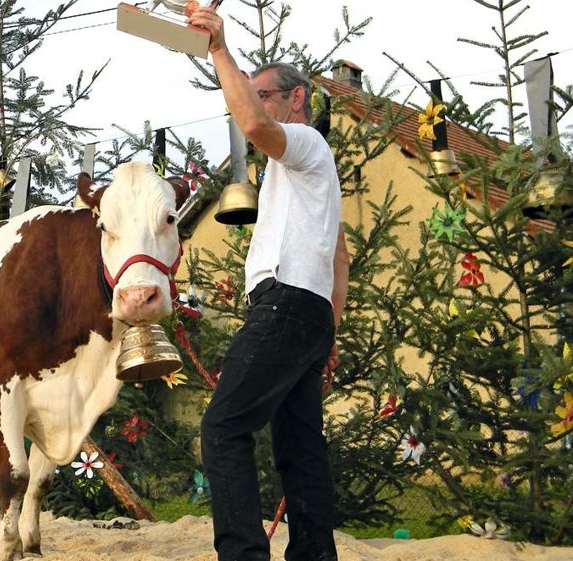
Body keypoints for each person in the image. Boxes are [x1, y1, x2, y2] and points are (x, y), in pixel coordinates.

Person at [188, 8, 350, 561]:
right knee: (300, 446)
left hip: (285, 303)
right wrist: (328, 332)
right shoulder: (310, 171)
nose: (252, 105)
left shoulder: (304, 143)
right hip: (310, 312)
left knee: (223, 427)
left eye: (264, 94)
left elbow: (255, 126)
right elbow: (340, 258)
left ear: (296, 98)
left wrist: (218, 50)